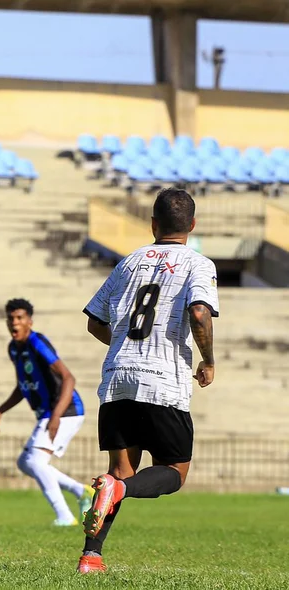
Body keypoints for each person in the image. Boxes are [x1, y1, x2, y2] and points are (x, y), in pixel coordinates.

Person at [77, 187, 219, 574]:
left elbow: (95, 320)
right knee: (174, 472)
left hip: (119, 376)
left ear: (153, 224)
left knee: (119, 470)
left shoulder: (129, 262)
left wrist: (123, 344)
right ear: (191, 224)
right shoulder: (198, 264)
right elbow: (201, 314)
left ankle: (91, 557)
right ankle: (119, 490)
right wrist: (207, 360)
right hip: (163, 379)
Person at [0, 298, 93, 526]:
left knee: (35, 462)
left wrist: (56, 416)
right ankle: (81, 491)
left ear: (29, 321)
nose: (14, 323)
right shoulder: (14, 349)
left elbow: (69, 377)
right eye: (11, 318)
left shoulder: (37, 343)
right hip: (50, 412)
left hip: (66, 410)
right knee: (25, 463)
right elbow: (22, 386)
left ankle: (65, 516)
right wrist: (1, 410)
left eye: (19, 318)